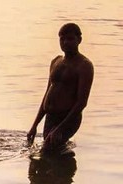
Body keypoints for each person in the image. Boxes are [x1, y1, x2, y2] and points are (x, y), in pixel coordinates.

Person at [26, 23, 93, 154]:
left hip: (68, 118)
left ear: (79, 40)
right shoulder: (56, 61)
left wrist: (60, 129)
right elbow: (47, 95)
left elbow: (82, 102)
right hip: (50, 117)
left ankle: (66, 161)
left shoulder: (84, 65)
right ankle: (66, 165)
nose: (65, 42)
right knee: (50, 156)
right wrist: (34, 125)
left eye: (69, 39)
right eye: (62, 39)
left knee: (46, 153)